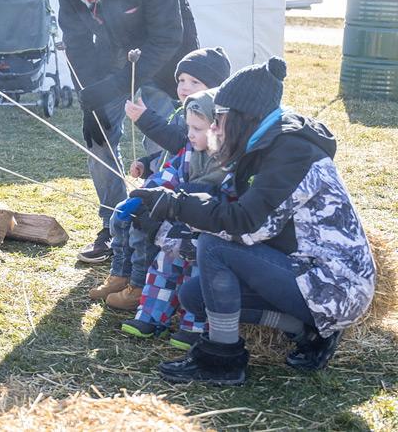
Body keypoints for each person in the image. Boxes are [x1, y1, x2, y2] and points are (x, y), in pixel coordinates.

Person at [128, 57, 376, 385]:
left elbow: (248, 225)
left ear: (244, 117)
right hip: (303, 271)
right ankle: (307, 330)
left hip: (336, 285)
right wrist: (171, 200)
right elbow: (228, 203)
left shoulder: (291, 152)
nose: (215, 129)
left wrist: (179, 207)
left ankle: (221, 360)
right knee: (194, 296)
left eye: (220, 120)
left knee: (214, 247)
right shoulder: (265, 144)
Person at [33, 0, 198, 265]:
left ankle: (159, 228)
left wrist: (117, 85)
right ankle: (114, 225)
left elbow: (169, 34)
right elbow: (76, 39)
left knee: (162, 144)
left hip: (165, 61)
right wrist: (90, 96)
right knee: (99, 141)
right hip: (113, 57)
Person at [92, 46, 230, 310]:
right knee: (119, 218)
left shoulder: (209, 122)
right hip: (159, 183)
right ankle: (120, 274)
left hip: (176, 196)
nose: (185, 87)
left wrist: (145, 119)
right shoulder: (181, 112)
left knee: (140, 229)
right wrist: (146, 163)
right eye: (181, 80)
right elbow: (169, 154)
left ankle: (138, 285)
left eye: (195, 82)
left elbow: (178, 143)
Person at [118, 89, 228, 348]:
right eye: (189, 126)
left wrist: (185, 196)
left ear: (218, 128)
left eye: (197, 128)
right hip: (178, 228)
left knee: (197, 276)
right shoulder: (189, 151)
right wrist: (146, 195)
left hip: (208, 235)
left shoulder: (227, 161)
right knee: (162, 267)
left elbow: (222, 199)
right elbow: (170, 175)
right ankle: (151, 317)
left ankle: (195, 326)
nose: (190, 134)